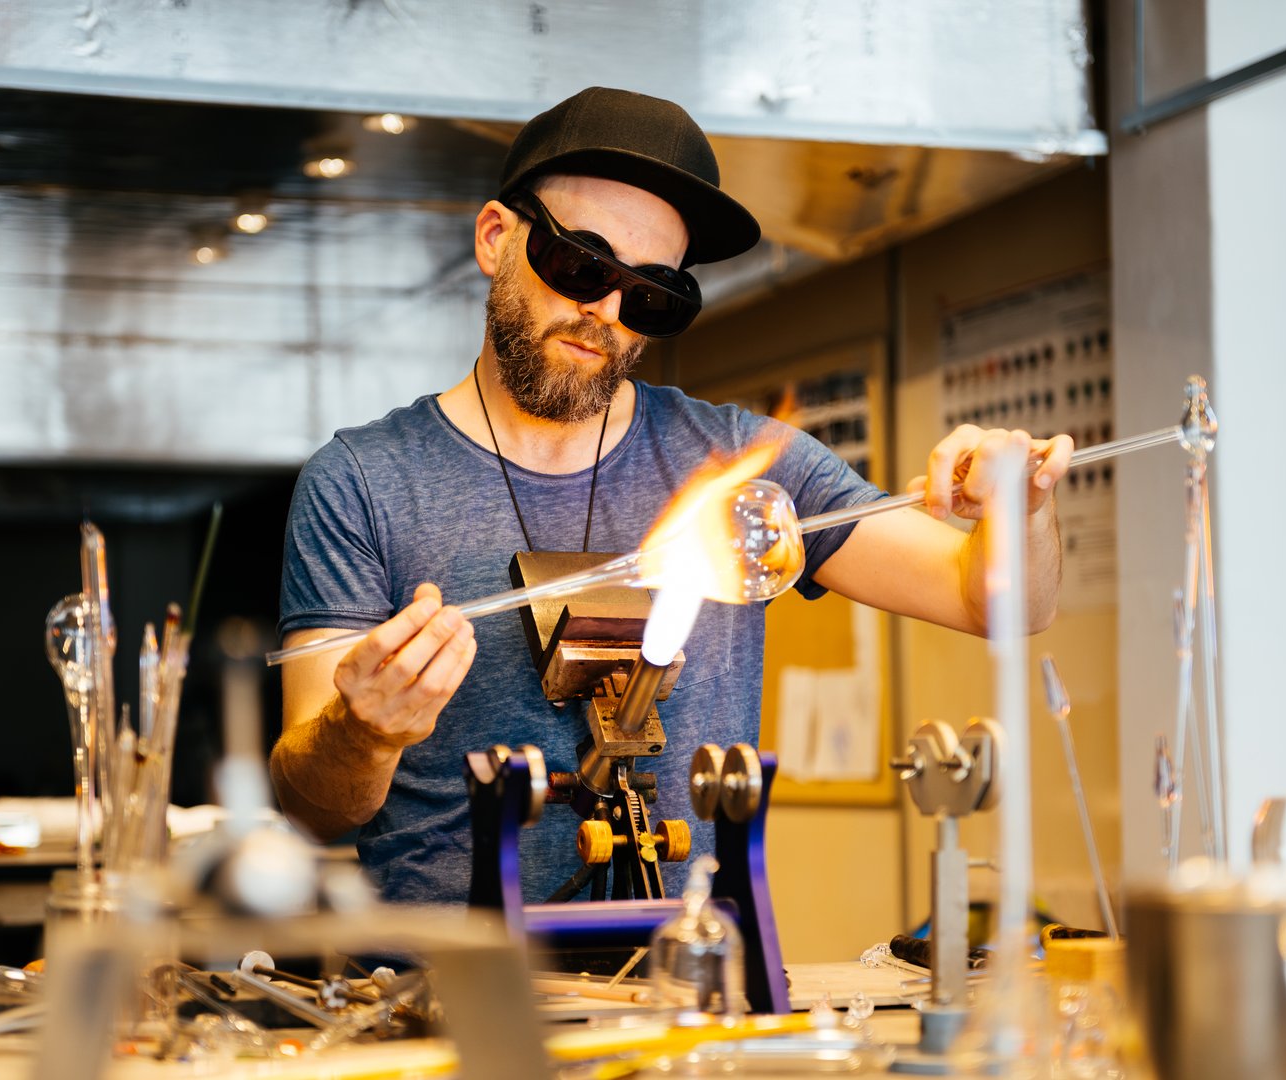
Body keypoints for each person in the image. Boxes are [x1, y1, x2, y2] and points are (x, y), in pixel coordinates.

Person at [272, 87, 1072, 904]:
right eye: (580, 264)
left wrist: (1023, 505)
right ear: (494, 238)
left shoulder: (743, 464)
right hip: (449, 999)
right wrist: (362, 734)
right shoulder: (363, 482)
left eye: (651, 293)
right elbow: (313, 810)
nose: (606, 313)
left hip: (686, 989)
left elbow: (1000, 602)